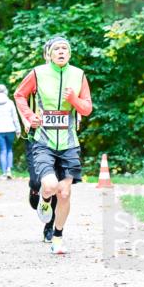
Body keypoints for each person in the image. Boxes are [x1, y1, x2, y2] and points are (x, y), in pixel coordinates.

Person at [14, 36, 92, 254]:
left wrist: (74, 99)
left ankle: (57, 236)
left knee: (65, 193)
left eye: (65, 48)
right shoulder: (38, 73)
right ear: (49, 53)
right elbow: (19, 94)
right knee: (48, 185)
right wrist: (30, 117)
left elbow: (87, 108)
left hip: (69, 143)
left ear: (69, 53)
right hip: (43, 141)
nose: (61, 51)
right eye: (56, 48)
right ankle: (45, 201)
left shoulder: (78, 75)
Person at [0, 84, 20, 179]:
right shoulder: (10, 102)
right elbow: (15, 117)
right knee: (9, 149)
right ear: (5, 91)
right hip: (10, 129)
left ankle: (3, 173)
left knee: (3, 150)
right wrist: (18, 130)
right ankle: (9, 170)